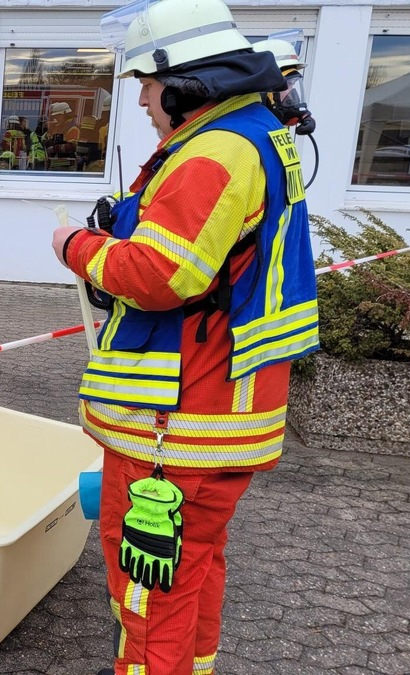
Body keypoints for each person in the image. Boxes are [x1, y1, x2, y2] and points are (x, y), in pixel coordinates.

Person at [50, 0, 318, 672]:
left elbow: (161, 274)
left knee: (148, 593)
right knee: (193, 568)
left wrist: (75, 245)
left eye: (146, 82)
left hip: (178, 424)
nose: (140, 98)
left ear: (185, 81)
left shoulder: (214, 152)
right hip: (226, 414)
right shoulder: (259, 132)